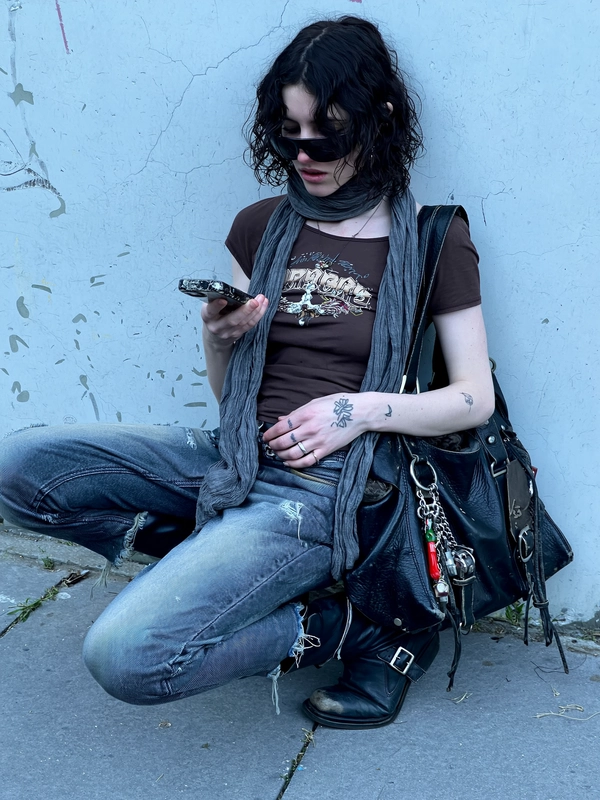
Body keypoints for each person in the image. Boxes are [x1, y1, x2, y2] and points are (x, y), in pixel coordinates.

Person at [0, 16, 494, 729]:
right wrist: (220, 338)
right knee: (20, 468)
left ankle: (345, 627)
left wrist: (353, 412)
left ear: (380, 120)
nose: (305, 154)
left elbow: (472, 398)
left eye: (326, 132)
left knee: (126, 657)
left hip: (326, 488)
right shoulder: (260, 225)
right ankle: (204, 555)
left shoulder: (431, 240)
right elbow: (228, 395)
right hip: (232, 452)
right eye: (288, 133)